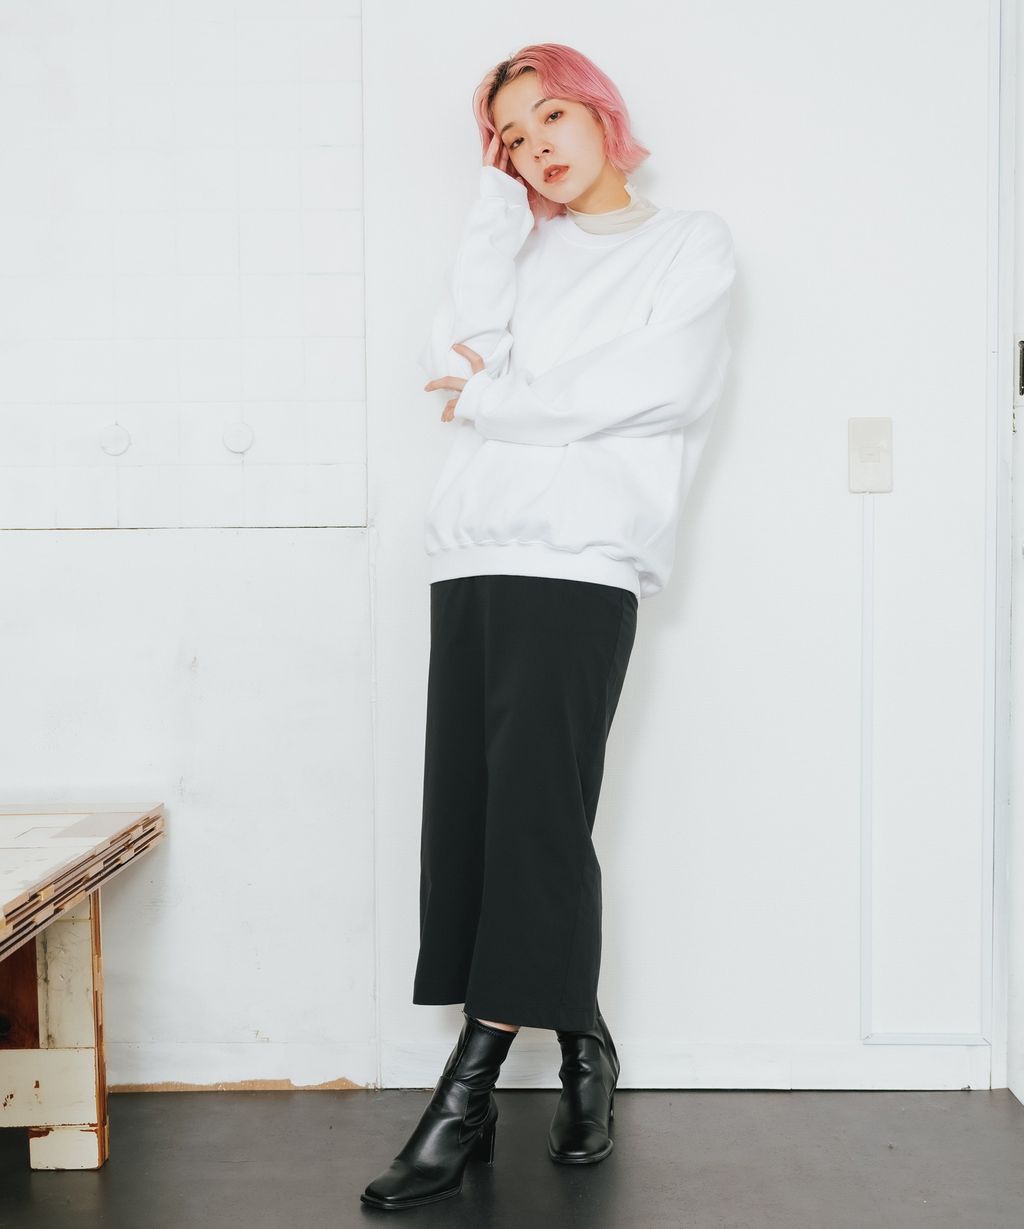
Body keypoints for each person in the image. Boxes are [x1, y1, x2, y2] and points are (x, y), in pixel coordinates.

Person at [360, 40, 736, 1211]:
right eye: (511, 140)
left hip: (583, 562)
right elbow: (453, 354)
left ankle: (465, 1091)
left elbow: (658, 390)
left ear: (602, 113)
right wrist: (492, 206)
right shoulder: (519, 247)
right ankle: (584, 1048)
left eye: (551, 119)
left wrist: (499, 400)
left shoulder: (690, 245)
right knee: (486, 818)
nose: (537, 150)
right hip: (472, 551)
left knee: (537, 811)